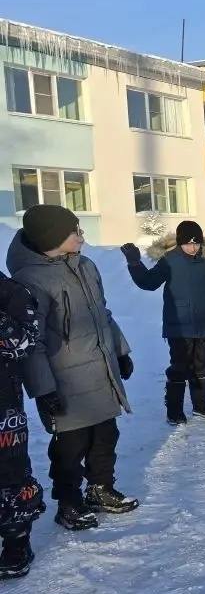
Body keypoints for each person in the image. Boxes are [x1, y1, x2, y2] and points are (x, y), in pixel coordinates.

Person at [8, 205, 138, 530]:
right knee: (70, 447)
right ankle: (69, 504)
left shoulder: (86, 266)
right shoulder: (30, 280)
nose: (82, 237)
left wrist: (120, 351)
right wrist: (43, 388)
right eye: (75, 231)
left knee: (106, 435)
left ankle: (100, 489)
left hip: (99, 370)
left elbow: (103, 314)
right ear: (53, 237)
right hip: (63, 381)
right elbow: (31, 342)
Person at [121, 221, 205, 425]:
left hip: (204, 322)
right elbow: (149, 283)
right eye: (188, 243)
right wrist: (135, 264)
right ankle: (175, 410)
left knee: (202, 364)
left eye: (196, 243)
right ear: (179, 243)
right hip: (178, 323)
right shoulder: (170, 260)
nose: (193, 247)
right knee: (180, 366)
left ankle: (200, 404)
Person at [0, 274, 45, 579]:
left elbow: (24, 344)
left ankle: (16, 544)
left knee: (10, 475)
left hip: (3, 406)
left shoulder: (11, 293)